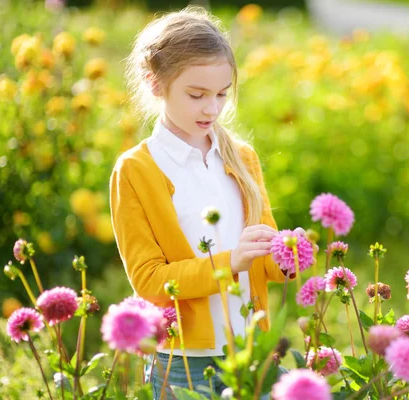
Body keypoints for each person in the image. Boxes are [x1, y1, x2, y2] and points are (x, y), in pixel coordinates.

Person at [109, 6, 289, 398]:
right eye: (197, 95)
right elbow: (150, 281)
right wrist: (230, 263)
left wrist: (290, 255)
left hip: (252, 348)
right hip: (184, 364)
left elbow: (265, 254)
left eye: (222, 94)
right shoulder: (136, 170)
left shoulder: (242, 158)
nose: (212, 108)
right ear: (154, 83)